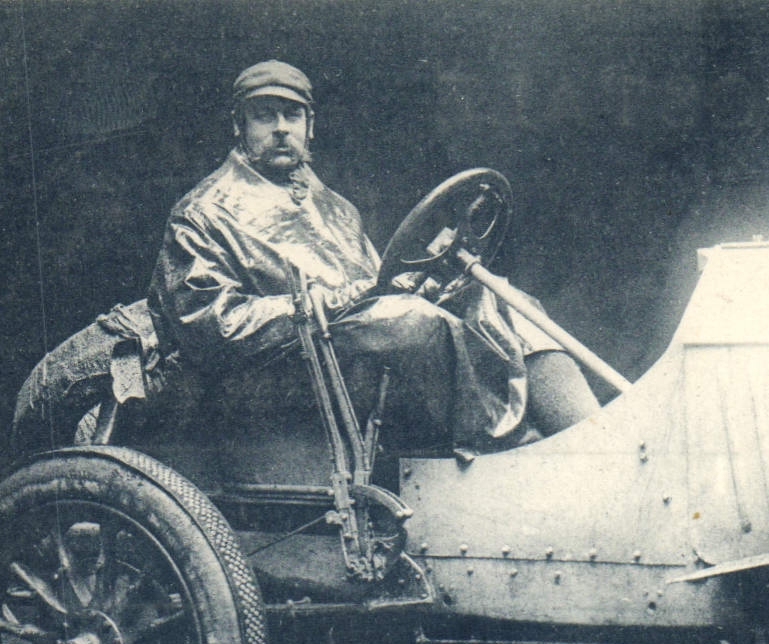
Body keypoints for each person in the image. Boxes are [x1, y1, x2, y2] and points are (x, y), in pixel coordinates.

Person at [147, 60, 597, 455]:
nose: (281, 127)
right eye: (264, 116)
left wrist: (425, 281)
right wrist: (326, 302)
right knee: (412, 324)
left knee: (498, 301)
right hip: (277, 369)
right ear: (239, 126)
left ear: (310, 125)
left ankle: (587, 440)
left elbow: (378, 284)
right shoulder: (202, 212)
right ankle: (508, 450)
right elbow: (210, 326)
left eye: (292, 114)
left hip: (347, 344)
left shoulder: (337, 208)